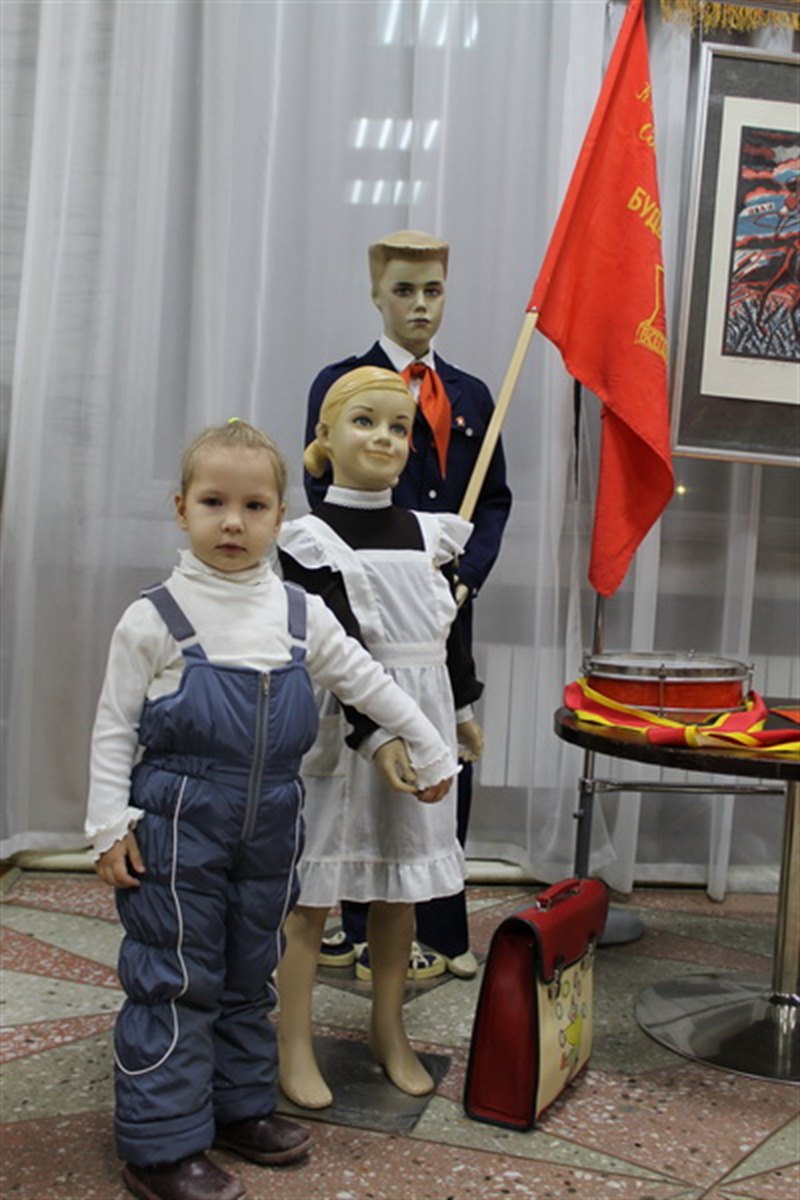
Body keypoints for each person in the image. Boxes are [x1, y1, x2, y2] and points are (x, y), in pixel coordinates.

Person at [85, 419, 456, 1200]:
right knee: (177, 974)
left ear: (280, 518)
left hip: (273, 825)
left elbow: (369, 682)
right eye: (213, 503)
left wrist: (429, 745)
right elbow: (114, 728)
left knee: (251, 968)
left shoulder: (299, 613)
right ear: (181, 508)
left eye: (254, 507)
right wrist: (108, 826)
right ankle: (160, 1146)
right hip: (178, 826)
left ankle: (237, 1104)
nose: (233, 522)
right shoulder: (154, 617)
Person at [304, 230, 511, 979]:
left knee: (443, 753)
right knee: (361, 753)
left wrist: (466, 576)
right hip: (362, 604)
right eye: (403, 289)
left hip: (440, 603)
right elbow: (322, 490)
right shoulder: (343, 381)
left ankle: (443, 927)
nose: (419, 305)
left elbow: (493, 499)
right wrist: (347, 578)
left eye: (433, 290)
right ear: (377, 293)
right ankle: (359, 920)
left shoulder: (472, 394)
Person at [277, 366, 484, 1111]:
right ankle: (293, 1041)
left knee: (402, 887)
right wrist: (377, 733)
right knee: (311, 894)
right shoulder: (307, 540)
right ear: (325, 436)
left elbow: (451, 632)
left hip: (423, 722)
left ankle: (388, 1027)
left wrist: (460, 708)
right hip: (343, 728)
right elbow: (335, 644)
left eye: (400, 427)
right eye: (364, 421)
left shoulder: (434, 534)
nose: (385, 438)